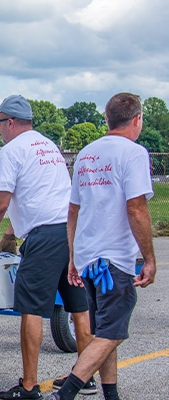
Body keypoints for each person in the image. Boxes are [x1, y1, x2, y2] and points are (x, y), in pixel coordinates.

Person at [0, 95, 94, 399]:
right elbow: (44, 195)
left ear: (10, 122)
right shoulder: (48, 146)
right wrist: (12, 231)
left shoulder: (11, 151)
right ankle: (84, 377)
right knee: (79, 308)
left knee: (31, 310)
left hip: (44, 239)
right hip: (73, 233)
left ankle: (30, 386)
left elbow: (1, 202)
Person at [46, 93, 156, 400]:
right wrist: (149, 258)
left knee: (104, 332)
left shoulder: (86, 154)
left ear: (107, 119)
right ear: (137, 120)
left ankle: (112, 395)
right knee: (112, 334)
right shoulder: (134, 153)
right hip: (114, 260)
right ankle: (65, 394)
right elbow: (136, 208)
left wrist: (73, 257)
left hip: (88, 257)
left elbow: (73, 210)